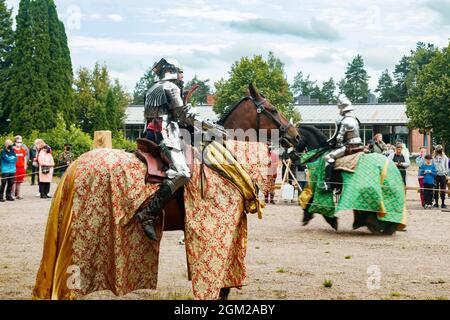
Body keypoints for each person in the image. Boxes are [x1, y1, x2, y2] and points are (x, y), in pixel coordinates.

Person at [135, 57, 226, 241]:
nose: (183, 76)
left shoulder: (152, 88)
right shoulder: (170, 87)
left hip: (150, 133)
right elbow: (183, 115)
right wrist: (211, 127)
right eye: (181, 72)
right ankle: (148, 214)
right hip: (165, 134)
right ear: (172, 71)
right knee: (182, 173)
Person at [323, 94, 363, 191]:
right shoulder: (355, 119)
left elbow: (339, 139)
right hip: (359, 144)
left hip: (349, 146)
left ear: (342, 109)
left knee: (329, 157)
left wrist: (332, 144)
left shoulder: (345, 121)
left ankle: (328, 183)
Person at [11, 136, 27, 200]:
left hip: (21, 168)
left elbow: (25, 159)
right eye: (18, 142)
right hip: (14, 168)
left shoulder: (23, 150)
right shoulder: (12, 150)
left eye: (20, 142)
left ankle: (18, 195)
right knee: (14, 182)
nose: (19, 143)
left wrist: (25, 166)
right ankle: (12, 195)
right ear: (15, 142)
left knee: (19, 182)